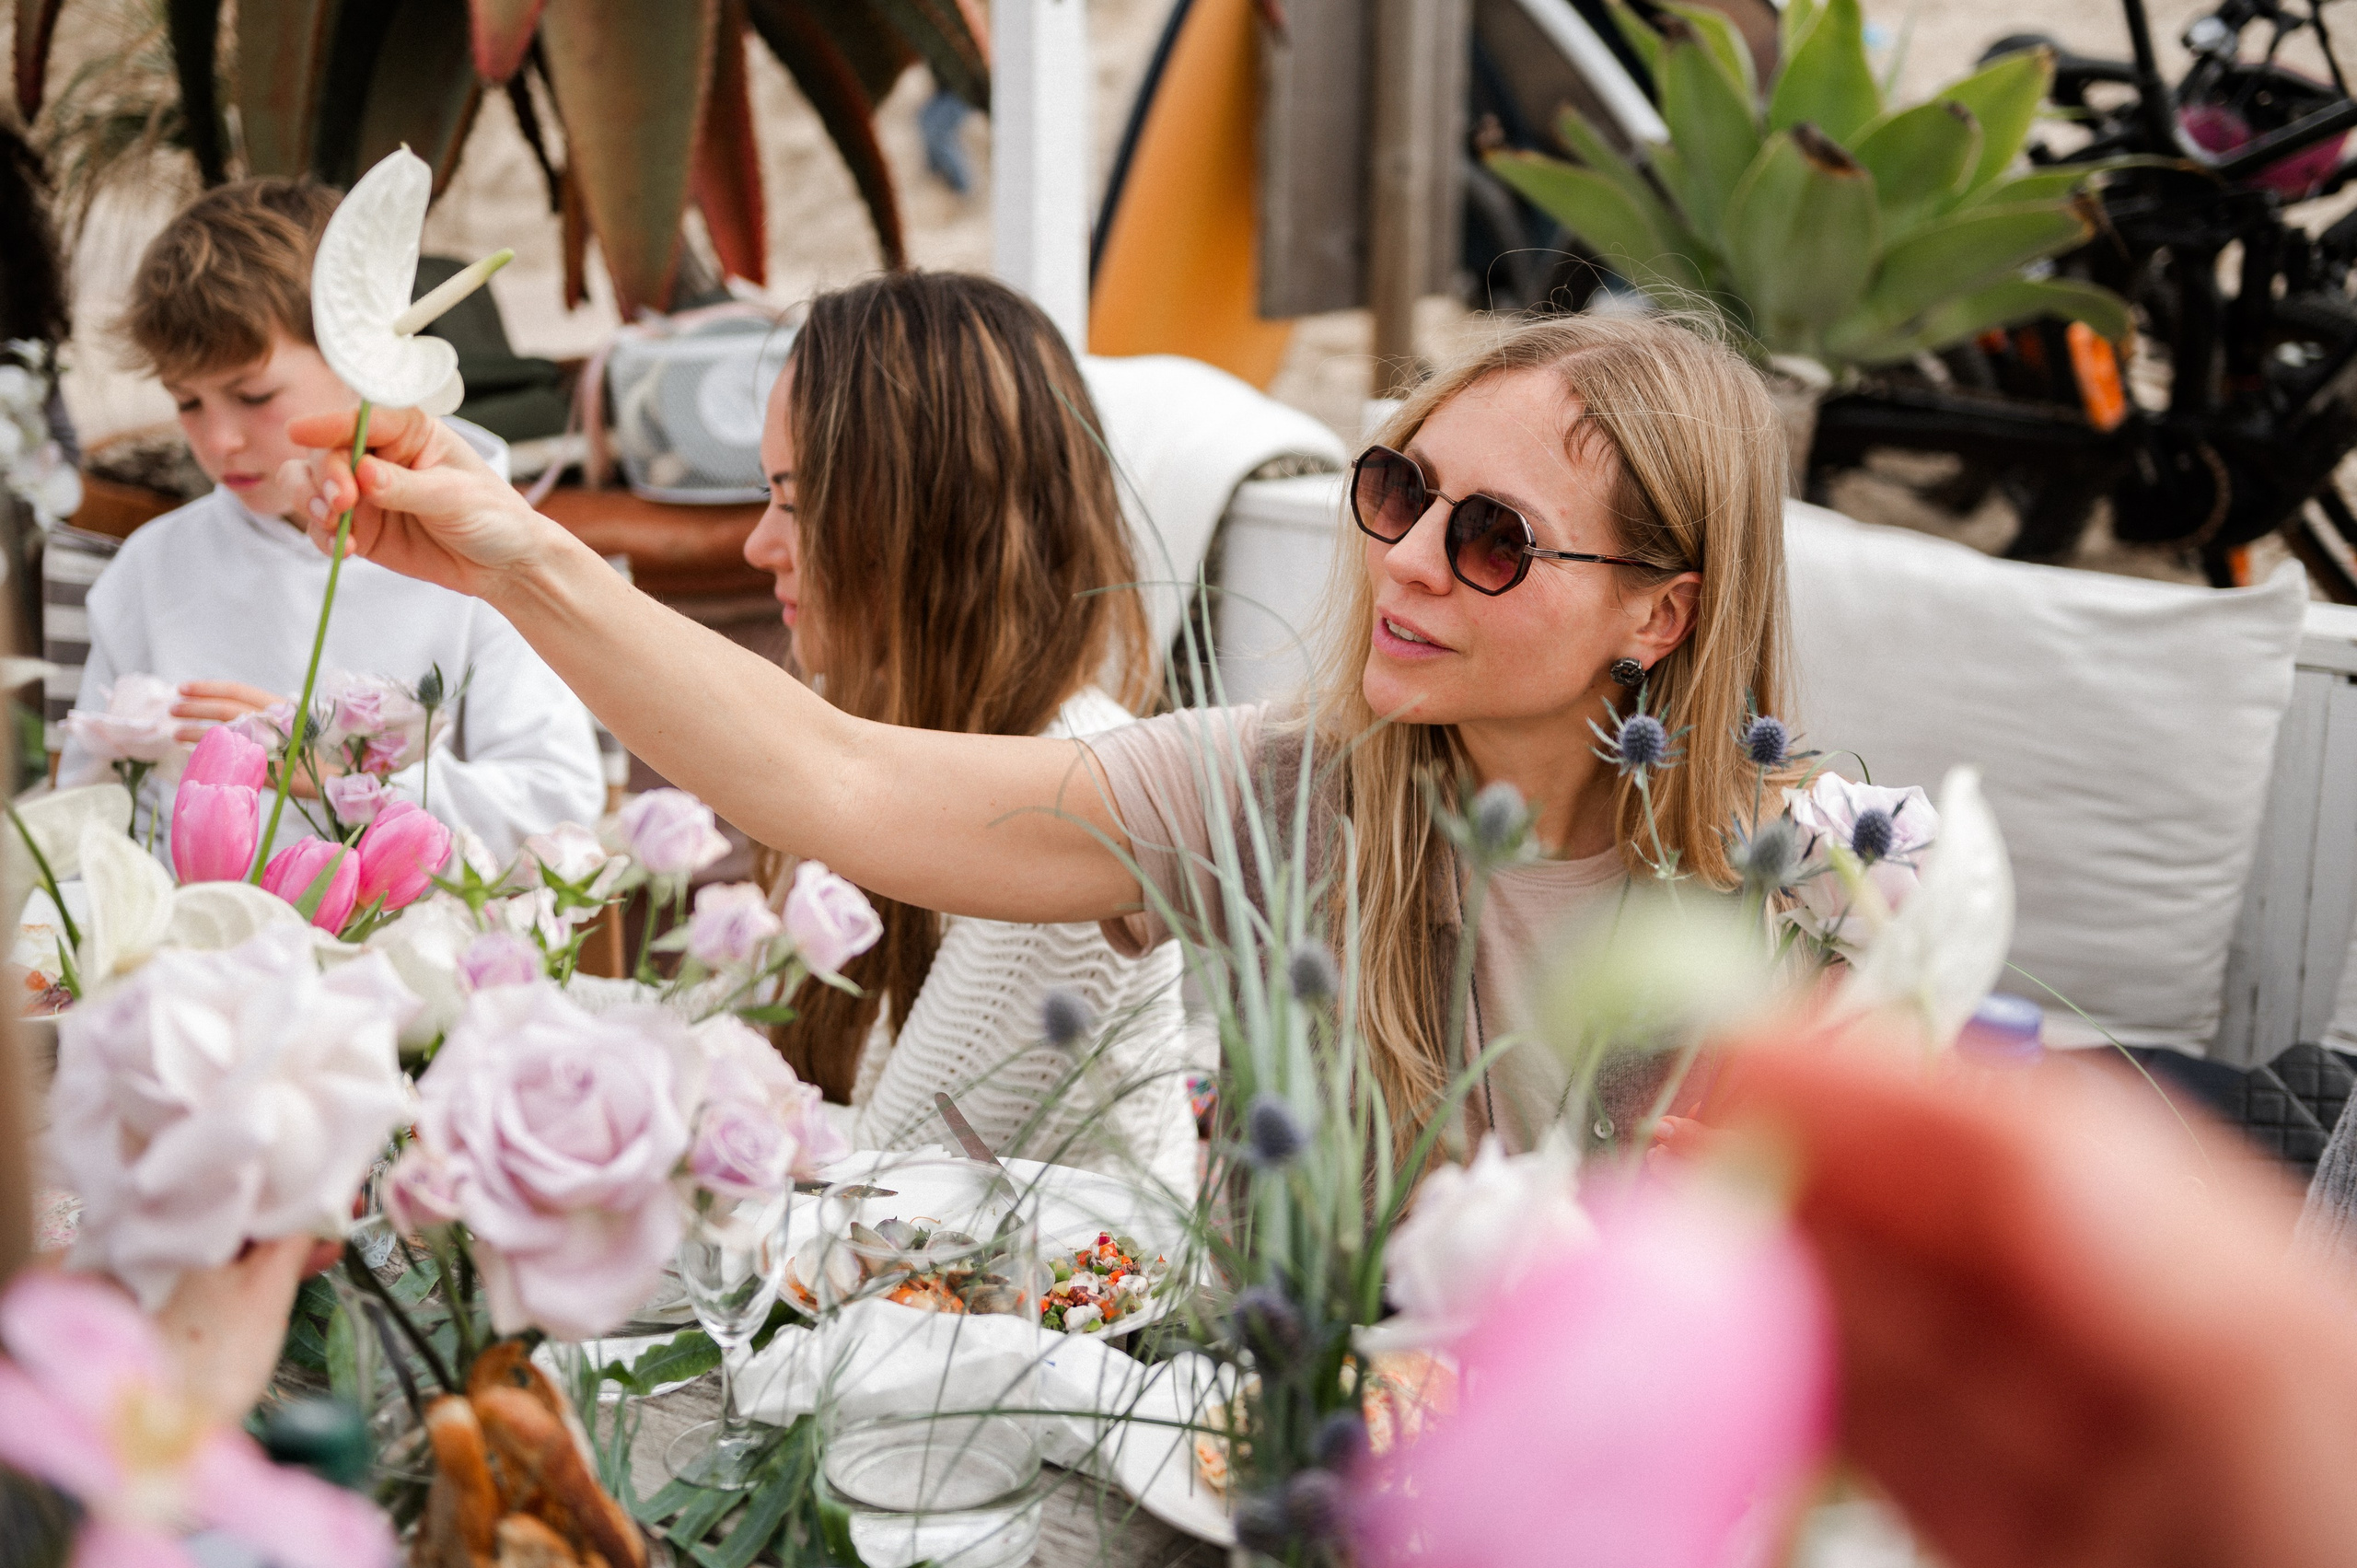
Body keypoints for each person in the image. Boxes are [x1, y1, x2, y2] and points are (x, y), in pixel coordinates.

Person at [279, 308, 1782, 1154]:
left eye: (1495, 540)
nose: (1404, 557)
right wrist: (517, 560)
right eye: (1400, 490)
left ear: (1658, 615)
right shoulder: (1280, 792)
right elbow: (839, 778)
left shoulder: (1815, 882)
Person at [738, 272, 1196, 1190]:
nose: (759, 543)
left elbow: (888, 1186)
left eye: (794, 500)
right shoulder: (870, 731)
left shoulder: (1077, 792)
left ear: (915, 523)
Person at [56, 178, 603, 862]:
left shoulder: (476, 551)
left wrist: (333, 775)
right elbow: (87, 823)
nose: (219, 440)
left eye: (252, 394)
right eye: (187, 402)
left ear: (360, 356)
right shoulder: (153, 566)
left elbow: (557, 805)